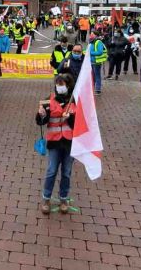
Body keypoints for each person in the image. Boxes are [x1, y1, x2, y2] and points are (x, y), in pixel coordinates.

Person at [36, 73, 77, 215]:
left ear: (68, 86)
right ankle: (46, 199)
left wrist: (70, 118)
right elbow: (41, 121)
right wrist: (41, 114)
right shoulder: (49, 99)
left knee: (66, 172)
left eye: (62, 85)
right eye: (57, 84)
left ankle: (63, 199)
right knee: (51, 170)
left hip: (69, 143)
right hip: (54, 142)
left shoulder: (74, 101)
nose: (59, 87)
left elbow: (79, 124)